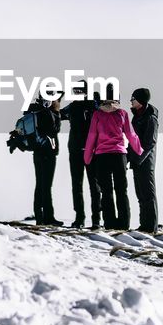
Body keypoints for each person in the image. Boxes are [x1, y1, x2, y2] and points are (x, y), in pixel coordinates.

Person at [84, 87, 142, 229]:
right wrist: (139, 150)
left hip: (102, 156)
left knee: (106, 191)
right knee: (121, 191)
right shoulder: (122, 113)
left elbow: (92, 137)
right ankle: (124, 224)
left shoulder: (97, 114)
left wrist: (87, 157)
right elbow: (131, 134)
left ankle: (109, 223)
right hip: (119, 156)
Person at [60, 86, 101, 228]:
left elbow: (59, 114)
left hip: (88, 149)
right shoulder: (75, 107)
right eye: (75, 92)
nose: (77, 94)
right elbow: (58, 115)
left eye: (80, 91)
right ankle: (81, 218)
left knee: (93, 185)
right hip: (79, 149)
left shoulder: (92, 106)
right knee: (79, 185)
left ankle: (94, 219)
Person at [128, 87, 159, 232]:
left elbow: (150, 143)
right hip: (137, 160)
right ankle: (144, 225)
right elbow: (133, 140)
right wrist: (129, 156)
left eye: (133, 98)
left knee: (148, 194)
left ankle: (151, 226)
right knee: (140, 194)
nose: (131, 101)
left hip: (145, 162)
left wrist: (139, 158)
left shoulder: (150, 117)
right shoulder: (137, 116)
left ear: (140, 100)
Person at [30, 95, 63, 226]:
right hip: (48, 152)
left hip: (37, 152)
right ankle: (48, 217)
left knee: (40, 185)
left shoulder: (34, 110)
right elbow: (55, 129)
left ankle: (39, 216)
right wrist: (55, 112)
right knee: (46, 186)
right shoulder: (49, 112)